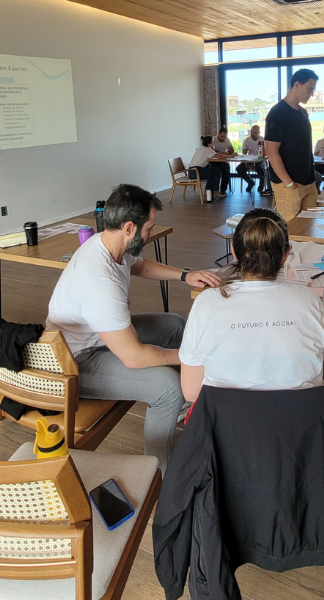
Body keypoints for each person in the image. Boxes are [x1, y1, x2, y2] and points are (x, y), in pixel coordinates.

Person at [45, 184, 221, 470]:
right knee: (167, 388)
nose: (151, 234)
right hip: (75, 363)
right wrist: (193, 356)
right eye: (148, 228)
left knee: (175, 326)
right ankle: (160, 471)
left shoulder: (109, 243)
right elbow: (135, 358)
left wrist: (185, 275)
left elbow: (138, 265)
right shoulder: (99, 280)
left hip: (98, 338)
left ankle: (181, 407)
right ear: (129, 227)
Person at [180, 208, 324, 402]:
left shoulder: (205, 303)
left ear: (233, 251)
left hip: (228, 418)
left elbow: (191, 392)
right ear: (285, 256)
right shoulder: (310, 299)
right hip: (303, 418)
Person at [265, 68, 320, 221]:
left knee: (309, 226)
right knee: (291, 228)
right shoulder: (277, 113)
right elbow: (271, 152)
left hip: (308, 181)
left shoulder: (303, 113)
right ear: (297, 84)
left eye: (313, 90)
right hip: (289, 184)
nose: (311, 94)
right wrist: (288, 183)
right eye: (309, 89)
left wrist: (311, 180)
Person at [186, 135, 228, 203]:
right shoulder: (207, 149)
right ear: (209, 144)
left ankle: (207, 190)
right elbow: (219, 156)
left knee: (213, 171)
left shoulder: (201, 149)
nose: (214, 144)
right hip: (197, 171)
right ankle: (216, 191)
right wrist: (230, 156)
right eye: (213, 143)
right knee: (216, 170)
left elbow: (216, 155)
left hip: (191, 172)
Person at [240, 124, 270, 195]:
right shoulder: (246, 140)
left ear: (259, 133)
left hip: (261, 160)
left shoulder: (263, 140)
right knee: (239, 168)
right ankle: (250, 182)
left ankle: (261, 184)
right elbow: (244, 154)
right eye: (251, 132)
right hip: (249, 160)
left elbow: (266, 154)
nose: (252, 134)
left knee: (259, 168)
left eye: (255, 132)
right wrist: (247, 163)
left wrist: (256, 161)